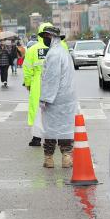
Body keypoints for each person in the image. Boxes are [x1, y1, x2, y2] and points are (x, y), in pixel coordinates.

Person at [38, 25, 78, 169]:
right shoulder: (64, 52)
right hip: (67, 97)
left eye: (46, 37)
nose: (44, 40)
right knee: (65, 128)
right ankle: (66, 157)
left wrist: (45, 98)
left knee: (50, 129)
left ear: (52, 38)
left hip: (55, 98)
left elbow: (51, 78)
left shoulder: (54, 54)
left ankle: (49, 158)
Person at [23, 23, 66, 147]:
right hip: (57, 82)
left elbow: (27, 68)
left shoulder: (33, 49)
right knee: (56, 108)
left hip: (38, 83)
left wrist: (28, 84)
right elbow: (67, 66)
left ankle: (36, 138)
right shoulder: (61, 46)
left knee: (37, 110)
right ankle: (58, 137)